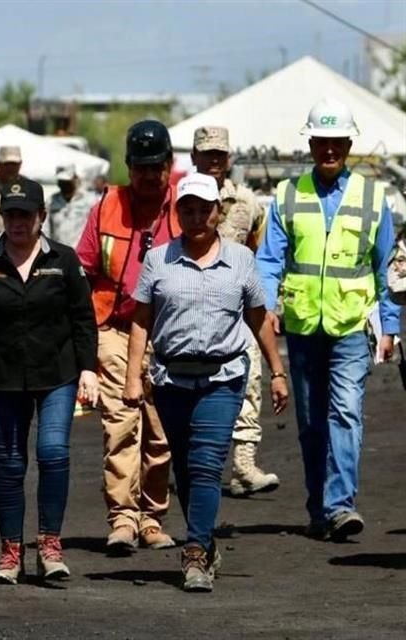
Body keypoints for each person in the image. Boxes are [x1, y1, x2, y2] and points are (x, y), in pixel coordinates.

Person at [125, 172, 289, 592]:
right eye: (188, 209)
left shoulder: (240, 260)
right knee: (183, 464)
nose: (196, 216)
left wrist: (276, 372)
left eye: (205, 208)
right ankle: (206, 540)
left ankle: (195, 552)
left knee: (206, 463)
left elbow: (258, 318)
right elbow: (141, 321)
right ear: (177, 212)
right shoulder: (158, 259)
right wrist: (132, 376)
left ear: (219, 212)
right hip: (171, 377)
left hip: (223, 376)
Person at [256, 98, 399, 542]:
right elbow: (268, 260)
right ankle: (319, 506)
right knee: (311, 423)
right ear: (311, 142)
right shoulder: (287, 194)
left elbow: (389, 270)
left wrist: (390, 327)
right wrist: (266, 307)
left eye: (338, 142)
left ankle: (341, 506)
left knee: (345, 413)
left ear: (349, 143)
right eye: (323, 142)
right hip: (301, 328)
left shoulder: (374, 198)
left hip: (352, 326)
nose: (330, 150)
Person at [0, 177, 99, 584]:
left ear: (41, 217)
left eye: (25, 215)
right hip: (3, 377)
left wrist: (89, 369)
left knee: (52, 452)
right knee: (10, 462)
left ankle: (50, 546)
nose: (17, 222)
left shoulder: (64, 260)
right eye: (10, 214)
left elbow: (83, 320)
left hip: (58, 374)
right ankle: (10, 553)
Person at [75, 120, 179, 553]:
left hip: (168, 333)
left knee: (161, 430)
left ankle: (152, 518)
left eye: (156, 167)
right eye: (140, 168)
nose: (148, 176)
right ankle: (122, 518)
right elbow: (84, 270)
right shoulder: (106, 205)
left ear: (169, 165)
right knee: (120, 425)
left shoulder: (185, 206)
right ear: (128, 167)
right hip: (115, 330)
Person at [190, 126, 279, 497]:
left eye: (219, 154)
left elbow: (260, 250)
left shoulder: (246, 202)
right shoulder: (182, 198)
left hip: (238, 305)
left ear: (229, 158)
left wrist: (268, 303)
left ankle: (243, 464)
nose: (213, 161)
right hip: (190, 301)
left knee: (249, 377)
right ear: (194, 157)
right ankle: (191, 464)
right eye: (206, 153)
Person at [46, 164, 99, 247]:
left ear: (75, 179)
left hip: (80, 253)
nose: (64, 184)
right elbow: (46, 228)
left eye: (67, 181)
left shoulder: (90, 200)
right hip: (57, 252)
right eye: (61, 181)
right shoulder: (51, 201)